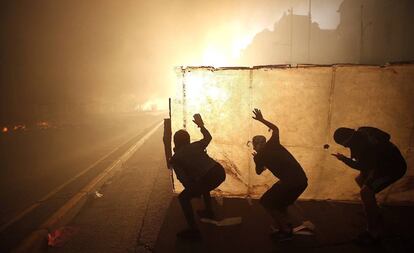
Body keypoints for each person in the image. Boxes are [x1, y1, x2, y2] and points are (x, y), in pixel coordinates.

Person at [332, 126, 407, 245]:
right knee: (359, 179)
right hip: (381, 163)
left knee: (366, 192)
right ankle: (374, 210)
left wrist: (344, 159)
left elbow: (361, 166)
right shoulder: (363, 131)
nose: (346, 147)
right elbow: (387, 135)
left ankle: (373, 232)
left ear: (348, 141)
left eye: (345, 144)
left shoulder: (365, 147)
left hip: (392, 168)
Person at [251, 108, 308, 242]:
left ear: (254, 146)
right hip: (302, 180)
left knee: (267, 202)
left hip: (290, 183)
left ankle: (285, 231)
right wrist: (261, 120)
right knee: (281, 204)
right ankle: (287, 225)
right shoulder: (273, 144)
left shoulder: (259, 156)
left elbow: (258, 172)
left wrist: (258, 161)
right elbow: (275, 128)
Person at [169, 114, 226, 240]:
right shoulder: (196, 145)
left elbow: (184, 179)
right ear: (187, 140)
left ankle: (194, 231)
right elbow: (208, 137)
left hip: (209, 176)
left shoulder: (176, 158)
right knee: (202, 182)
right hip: (219, 171)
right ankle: (209, 211)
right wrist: (201, 125)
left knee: (183, 197)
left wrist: (192, 191)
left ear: (175, 142)